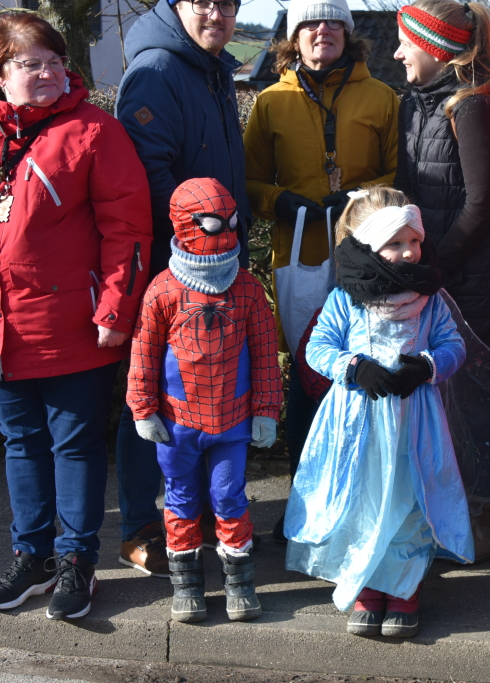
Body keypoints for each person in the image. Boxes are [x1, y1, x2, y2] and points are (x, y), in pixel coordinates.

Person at [0, 13, 151, 620]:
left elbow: (129, 229)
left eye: (53, 62)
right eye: (29, 63)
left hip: (74, 323)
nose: (45, 73)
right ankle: (31, 554)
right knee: (19, 442)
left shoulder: (95, 131)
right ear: (3, 73)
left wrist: (116, 308)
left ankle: (76, 561)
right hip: (7, 328)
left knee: (76, 444)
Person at [284, 186, 472, 639]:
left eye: (415, 241)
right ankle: (368, 585)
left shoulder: (430, 298)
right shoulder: (346, 299)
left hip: (414, 422)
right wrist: (353, 367)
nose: (410, 252)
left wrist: (427, 366)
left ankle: (405, 587)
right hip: (356, 423)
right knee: (362, 499)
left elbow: (454, 345)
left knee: (407, 499)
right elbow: (317, 347)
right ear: (368, 245)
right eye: (396, 243)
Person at [244, 0, 399, 531]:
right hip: (299, 255)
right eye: (310, 22)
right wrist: (279, 201)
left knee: (368, 365)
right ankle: (306, 500)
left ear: (349, 34)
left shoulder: (381, 97)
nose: (322, 31)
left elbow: (399, 174)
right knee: (310, 372)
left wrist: (361, 197)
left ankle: (366, 499)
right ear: (294, 36)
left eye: (333, 21)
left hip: (367, 252)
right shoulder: (270, 102)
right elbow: (249, 181)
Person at [113, 0, 254, 578]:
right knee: (152, 387)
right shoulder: (158, 70)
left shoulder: (210, 67)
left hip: (217, 260)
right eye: (203, 1)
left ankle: (194, 522)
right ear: (177, 6)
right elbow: (147, 172)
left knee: (202, 390)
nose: (216, 12)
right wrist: (203, 240)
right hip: (174, 268)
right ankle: (141, 529)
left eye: (228, 2)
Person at [393, 0, 490, 562]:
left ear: (434, 47)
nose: (398, 52)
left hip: (479, 284)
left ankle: (487, 515)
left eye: (406, 41)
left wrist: (435, 267)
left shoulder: (472, 108)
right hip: (445, 276)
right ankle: (454, 509)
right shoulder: (418, 103)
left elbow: (480, 204)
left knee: (477, 402)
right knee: (447, 402)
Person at [127, 178, 283, 624]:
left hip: (231, 421)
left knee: (228, 496)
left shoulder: (248, 290)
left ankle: (240, 583)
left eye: (231, 223)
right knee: (180, 498)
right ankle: (188, 585)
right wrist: (142, 406)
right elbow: (145, 350)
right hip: (177, 423)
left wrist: (266, 411)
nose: (225, 233)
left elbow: (265, 356)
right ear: (186, 224)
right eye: (214, 224)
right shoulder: (163, 290)